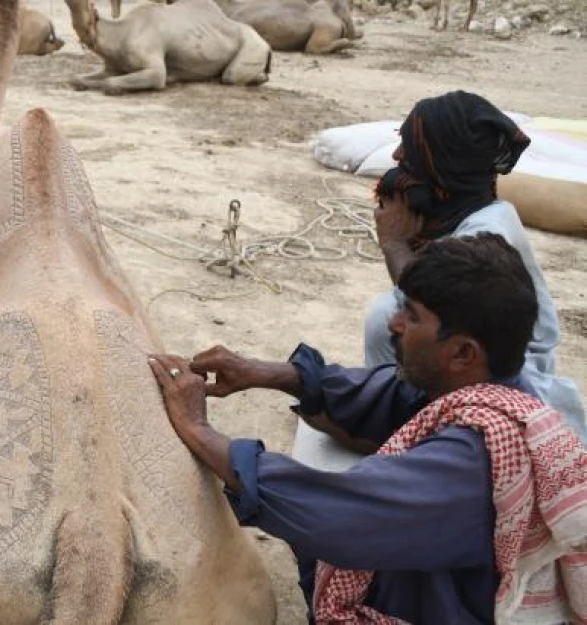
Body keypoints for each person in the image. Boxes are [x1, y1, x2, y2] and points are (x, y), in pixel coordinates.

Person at [148, 234, 587, 624]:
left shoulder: (472, 463)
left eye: (412, 317)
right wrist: (266, 374)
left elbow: (335, 515)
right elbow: (387, 394)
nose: (394, 324)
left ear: (463, 353)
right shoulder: (490, 388)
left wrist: (199, 430)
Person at [367, 90, 586, 442]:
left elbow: (440, 303)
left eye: (410, 144)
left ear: (444, 157)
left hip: (508, 380)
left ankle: (412, 433)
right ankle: (395, 418)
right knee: (389, 315)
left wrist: (394, 244)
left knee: (387, 321)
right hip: (471, 365)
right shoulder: (458, 215)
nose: (397, 155)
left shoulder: (488, 229)